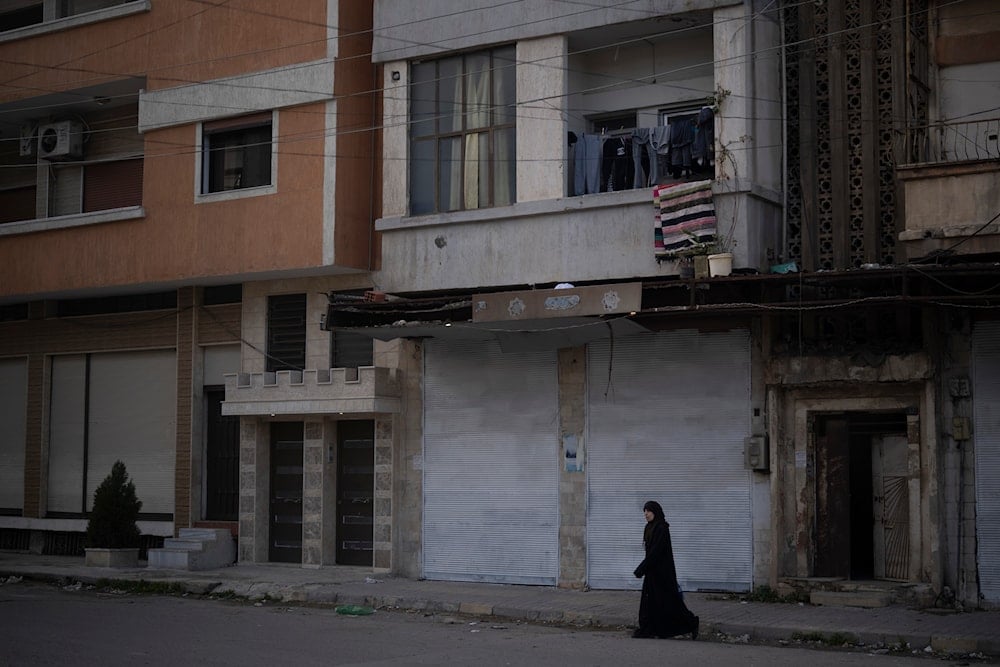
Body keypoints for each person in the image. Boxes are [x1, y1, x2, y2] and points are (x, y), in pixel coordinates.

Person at [632, 500, 700, 639]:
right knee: (649, 602)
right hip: (652, 572)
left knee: (671, 602)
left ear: (655, 512)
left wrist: (641, 568)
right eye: (644, 511)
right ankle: (649, 629)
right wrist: (645, 568)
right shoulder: (649, 527)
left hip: (663, 573)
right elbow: (649, 552)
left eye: (648, 511)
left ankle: (692, 623)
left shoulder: (662, 528)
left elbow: (656, 552)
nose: (645, 514)